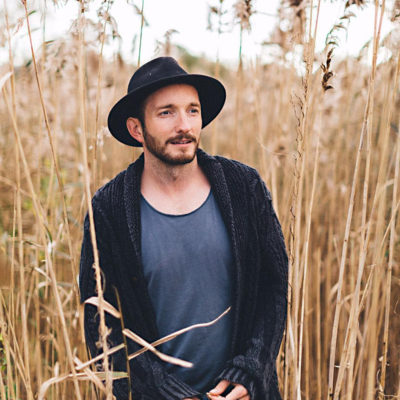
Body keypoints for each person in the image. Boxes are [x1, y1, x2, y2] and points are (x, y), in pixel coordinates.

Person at [79, 57, 288, 400]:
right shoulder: (108, 210)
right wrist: (169, 394)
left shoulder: (243, 187)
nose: (184, 125)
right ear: (136, 129)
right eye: (166, 113)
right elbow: (100, 325)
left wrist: (250, 370)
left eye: (192, 110)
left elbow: (273, 286)